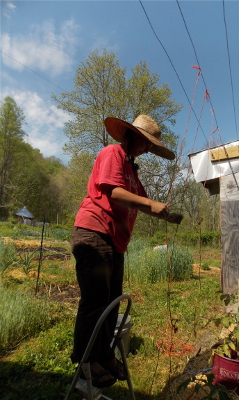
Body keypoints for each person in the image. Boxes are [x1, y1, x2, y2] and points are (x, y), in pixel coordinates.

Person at [70, 114, 183, 388]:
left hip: (115, 241)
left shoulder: (132, 171)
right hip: (94, 232)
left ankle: (105, 354)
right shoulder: (112, 153)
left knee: (112, 303)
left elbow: (142, 203)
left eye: (150, 146)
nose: (147, 149)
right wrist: (150, 203)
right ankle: (86, 359)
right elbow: (113, 192)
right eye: (145, 143)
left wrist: (164, 214)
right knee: (95, 301)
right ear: (131, 136)